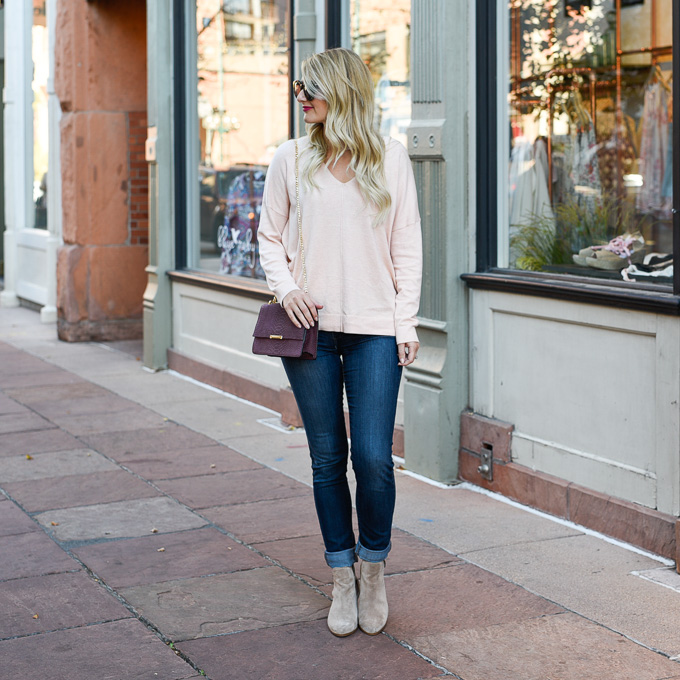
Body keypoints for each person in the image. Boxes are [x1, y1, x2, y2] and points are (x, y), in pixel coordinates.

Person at [257, 48, 422, 637]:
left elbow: (407, 247)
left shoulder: (390, 159)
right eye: (299, 89)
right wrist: (288, 288)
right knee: (328, 458)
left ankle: (373, 566)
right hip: (313, 334)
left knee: (374, 458)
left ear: (343, 93)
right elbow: (269, 236)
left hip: (376, 329)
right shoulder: (291, 158)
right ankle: (341, 575)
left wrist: (407, 324)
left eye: (313, 90)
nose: (302, 98)